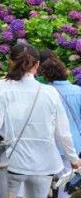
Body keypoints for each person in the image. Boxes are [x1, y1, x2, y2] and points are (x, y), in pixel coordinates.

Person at [0, 43, 80, 198]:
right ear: (37, 65)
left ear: (10, 62)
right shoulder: (50, 93)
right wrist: (73, 160)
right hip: (44, 166)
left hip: (13, 162)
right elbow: (62, 133)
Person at [39, 57, 81, 198]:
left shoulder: (44, 93)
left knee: (42, 186)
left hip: (49, 144)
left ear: (45, 74)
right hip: (73, 146)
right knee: (65, 187)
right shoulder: (78, 91)